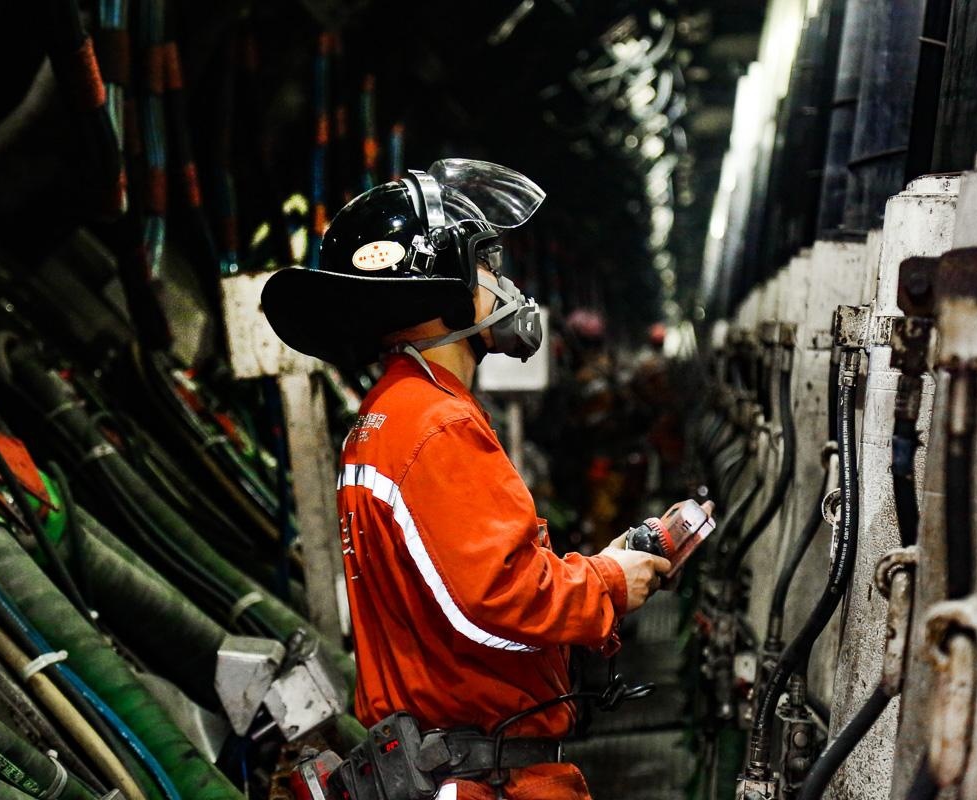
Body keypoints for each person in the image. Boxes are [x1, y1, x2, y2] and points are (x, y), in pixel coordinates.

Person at [262, 160, 698, 800]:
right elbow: (493, 604)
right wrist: (607, 582)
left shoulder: (391, 414)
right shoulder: (435, 425)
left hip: (451, 761)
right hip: (483, 775)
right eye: (486, 266)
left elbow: (463, 583)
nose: (503, 284)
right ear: (445, 290)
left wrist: (594, 571)